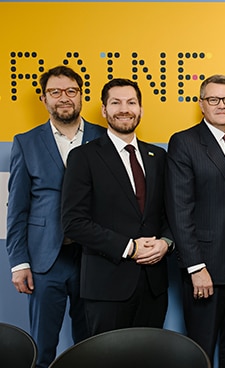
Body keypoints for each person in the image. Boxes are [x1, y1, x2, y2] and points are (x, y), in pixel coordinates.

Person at [6, 65, 105, 368]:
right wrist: (19, 262)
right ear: (44, 98)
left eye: (71, 91)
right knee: (42, 348)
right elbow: (17, 207)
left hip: (94, 257)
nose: (64, 98)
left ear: (81, 96)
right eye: (55, 92)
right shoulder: (27, 142)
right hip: (46, 260)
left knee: (91, 345)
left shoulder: (104, 138)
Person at [61, 78, 172, 336]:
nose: (125, 109)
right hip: (106, 286)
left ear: (141, 109)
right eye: (116, 102)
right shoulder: (83, 157)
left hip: (153, 285)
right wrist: (129, 247)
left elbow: (170, 213)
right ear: (104, 110)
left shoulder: (158, 157)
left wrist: (166, 242)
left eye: (131, 102)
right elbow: (73, 222)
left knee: (149, 357)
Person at [166, 74, 225, 367]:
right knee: (201, 349)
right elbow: (179, 209)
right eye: (214, 99)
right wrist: (196, 267)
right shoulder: (185, 142)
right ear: (201, 103)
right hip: (205, 267)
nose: (222, 105)